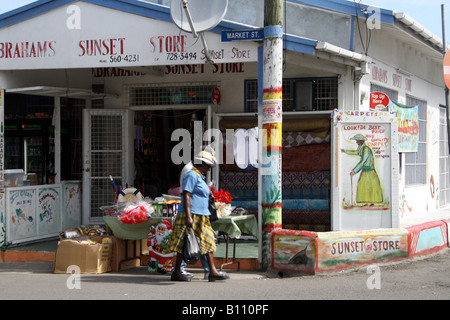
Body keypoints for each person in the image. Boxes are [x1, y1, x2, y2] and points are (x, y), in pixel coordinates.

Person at [168, 148, 229, 282]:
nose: (208, 168)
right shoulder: (191, 175)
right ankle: (177, 272)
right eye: (208, 166)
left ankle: (212, 271)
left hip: (202, 215)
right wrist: (188, 216)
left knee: (207, 241)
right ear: (203, 164)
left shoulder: (200, 177)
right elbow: (187, 195)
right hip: (191, 214)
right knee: (182, 243)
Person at [341, 133, 383, 205]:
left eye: (357, 140)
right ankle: (367, 203)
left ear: (361, 141)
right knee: (364, 186)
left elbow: (363, 161)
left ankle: (371, 203)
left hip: (370, 170)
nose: (356, 142)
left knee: (370, 186)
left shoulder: (366, 149)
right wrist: (345, 151)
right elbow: (356, 152)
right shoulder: (361, 148)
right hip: (365, 170)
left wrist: (354, 171)